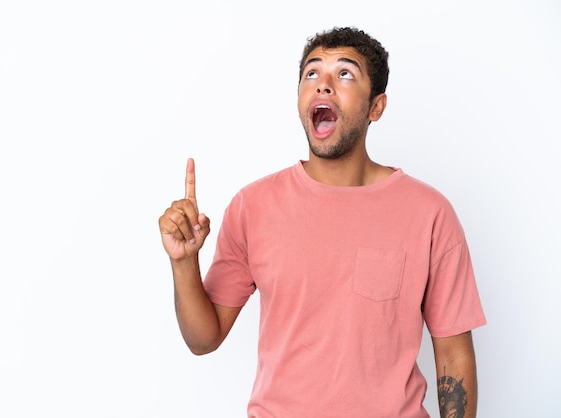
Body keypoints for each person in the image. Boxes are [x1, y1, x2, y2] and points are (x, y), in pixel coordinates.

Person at [158, 26, 486, 418]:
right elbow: (203, 339)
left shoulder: (430, 213)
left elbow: (452, 353)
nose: (323, 85)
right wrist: (183, 262)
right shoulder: (253, 206)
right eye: (312, 74)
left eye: (345, 73)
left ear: (376, 107)